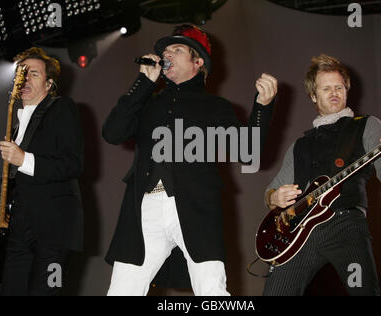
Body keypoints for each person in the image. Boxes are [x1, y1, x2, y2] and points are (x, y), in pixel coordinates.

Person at [103, 24, 278, 296]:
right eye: (164, 51)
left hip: (196, 205)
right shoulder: (148, 102)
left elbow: (248, 152)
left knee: (211, 290)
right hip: (145, 206)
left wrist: (262, 107)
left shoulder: (215, 107)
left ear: (198, 62)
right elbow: (112, 133)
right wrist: (142, 84)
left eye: (176, 49)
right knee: (122, 291)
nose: (166, 54)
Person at [263, 54, 381, 296]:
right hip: (300, 234)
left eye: (339, 87)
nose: (334, 92)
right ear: (313, 95)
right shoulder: (300, 145)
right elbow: (270, 191)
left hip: (345, 225)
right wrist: (275, 198)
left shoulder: (366, 125)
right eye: (326, 88)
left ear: (347, 90)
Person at [0, 47, 84, 296]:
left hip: (54, 233)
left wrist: (24, 158)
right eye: (21, 73)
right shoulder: (17, 126)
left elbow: (74, 163)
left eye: (34, 74)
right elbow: (19, 188)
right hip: (18, 234)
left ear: (49, 84)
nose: (25, 78)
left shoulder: (62, 108)